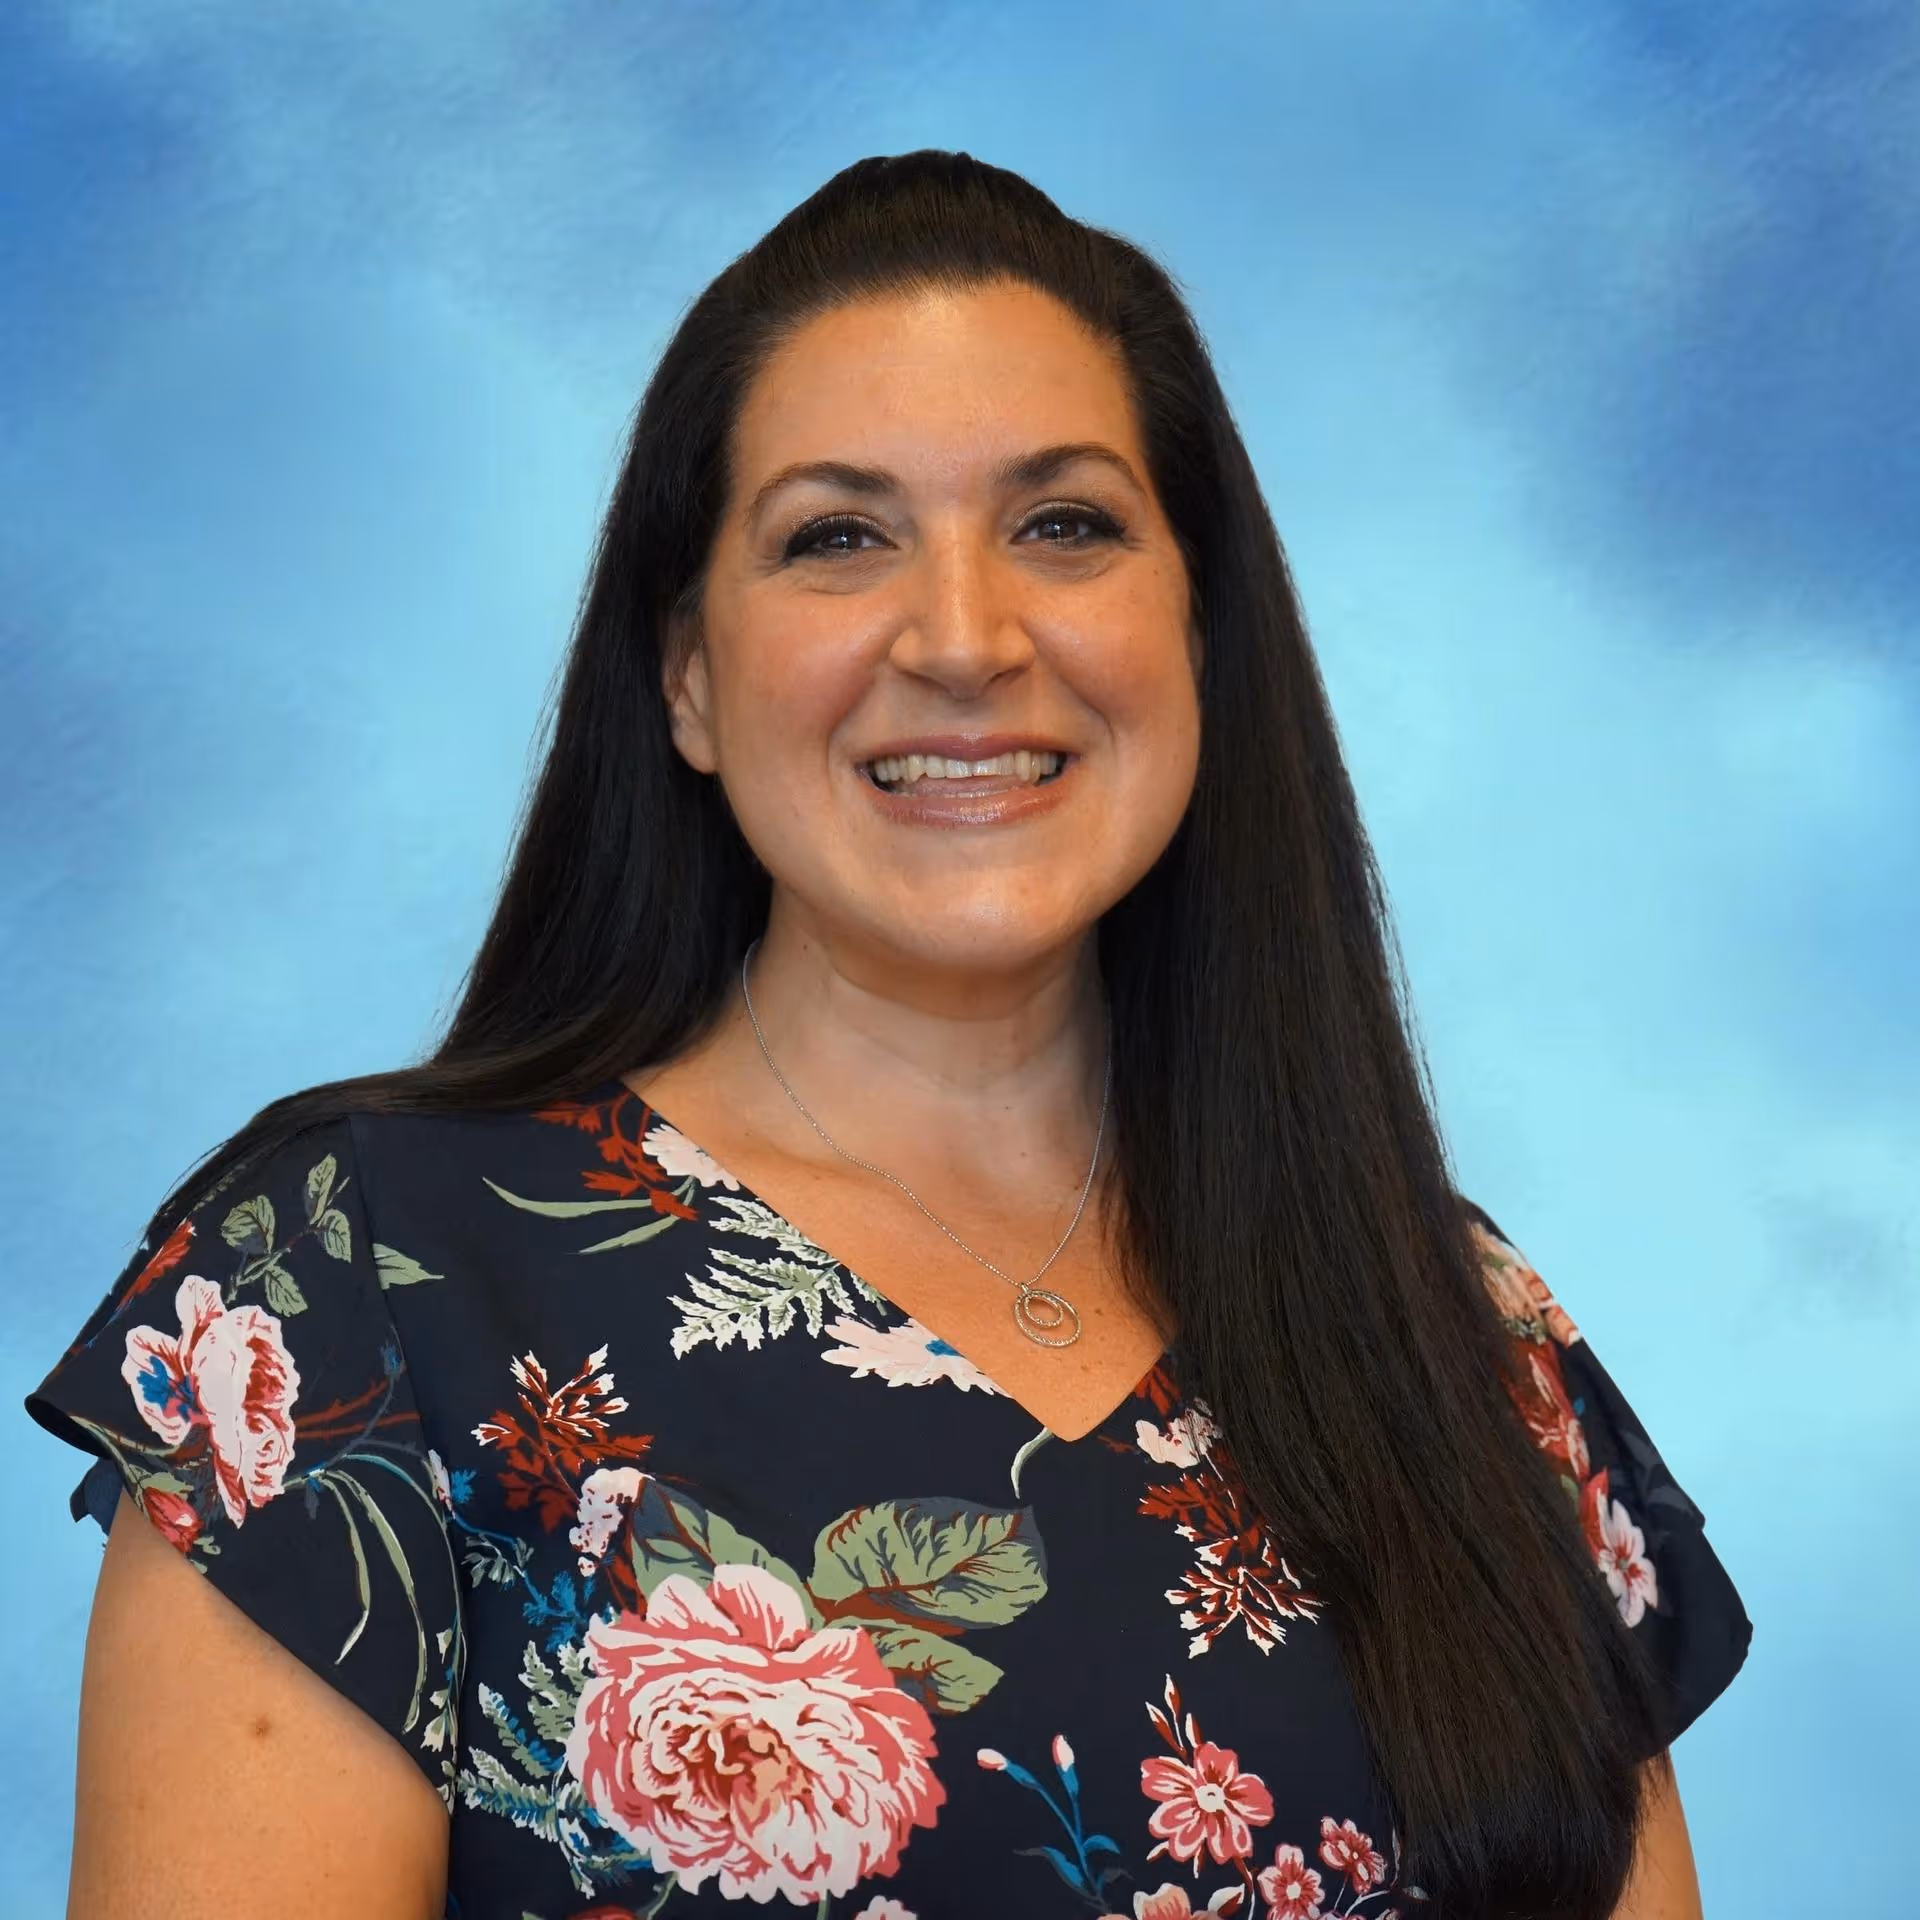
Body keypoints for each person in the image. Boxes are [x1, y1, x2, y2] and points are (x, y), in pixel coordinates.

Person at [25, 150, 1749, 1920]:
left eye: (1065, 524)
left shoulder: (1457, 1334)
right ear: (687, 676)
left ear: (1202, 631)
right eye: (836, 536)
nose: (964, 639)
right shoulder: (359, 1299)